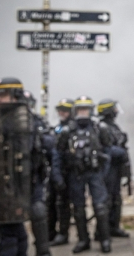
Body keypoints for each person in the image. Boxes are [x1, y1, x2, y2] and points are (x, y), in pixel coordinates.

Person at [0, 78, 64, 256]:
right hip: (5, 186)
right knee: (10, 232)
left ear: (15, 96)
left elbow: (49, 145)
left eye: (3, 95)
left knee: (25, 223)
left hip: (28, 181)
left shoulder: (30, 121)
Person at [57, 96, 112, 253]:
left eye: (85, 110)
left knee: (100, 207)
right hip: (76, 174)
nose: (83, 113)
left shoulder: (98, 128)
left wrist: (104, 173)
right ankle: (83, 240)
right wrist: (59, 175)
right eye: (80, 109)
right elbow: (59, 154)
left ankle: (105, 239)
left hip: (95, 173)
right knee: (79, 209)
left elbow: (108, 151)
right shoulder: (68, 131)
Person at [97, 99, 130, 238]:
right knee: (107, 199)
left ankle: (114, 226)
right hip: (107, 168)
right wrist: (120, 152)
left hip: (115, 168)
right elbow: (106, 149)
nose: (117, 111)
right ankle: (101, 231)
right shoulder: (102, 127)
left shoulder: (112, 126)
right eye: (114, 109)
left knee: (116, 198)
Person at [48, 98, 76, 246]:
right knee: (52, 202)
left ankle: (63, 234)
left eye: (64, 110)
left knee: (64, 203)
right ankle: (50, 233)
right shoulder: (58, 128)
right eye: (59, 110)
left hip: (70, 172)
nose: (61, 113)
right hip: (57, 171)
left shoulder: (74, 129)